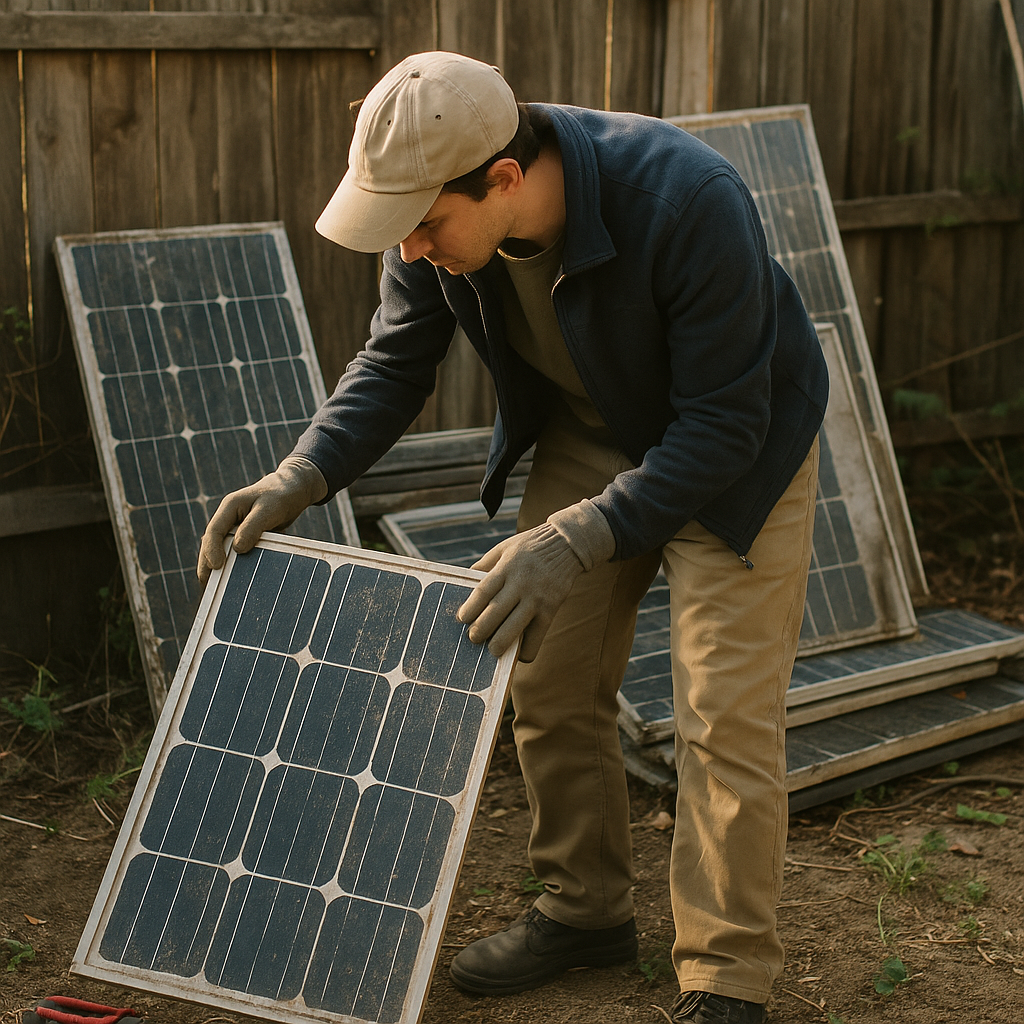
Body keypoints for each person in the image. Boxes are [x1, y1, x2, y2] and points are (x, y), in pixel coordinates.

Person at [198, 51, 828, 1024]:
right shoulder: (433, 217)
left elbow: (722, 423)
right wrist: (302, 473)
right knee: (544, 673)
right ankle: (587, 909)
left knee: (722, 714)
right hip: (592, 431)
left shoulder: (686, 196)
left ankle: (724, 973)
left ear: (503, 179)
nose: (409, 249)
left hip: (735, 450)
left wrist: (579, 536)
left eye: (424, 226)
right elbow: (394, 361)